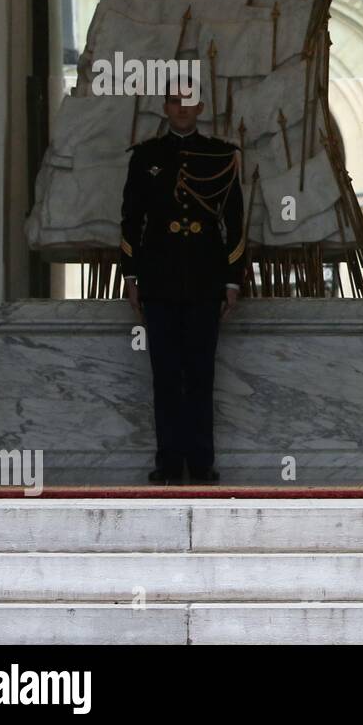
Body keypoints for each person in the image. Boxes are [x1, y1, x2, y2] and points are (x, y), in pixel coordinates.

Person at [120, 80, 247, 485]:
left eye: (188, 102)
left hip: (205, 280)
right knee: (165, 377)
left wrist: (232, 281)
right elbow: (130, 219)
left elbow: (236, 223)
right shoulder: (146, 157)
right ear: (165, 107)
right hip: (159, 282)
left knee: (200, 376)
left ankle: (201, 463)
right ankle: (170, 464)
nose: (181, 109)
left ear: (201, 106)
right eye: (174, 101)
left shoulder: (221, 155)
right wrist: (131, 275)